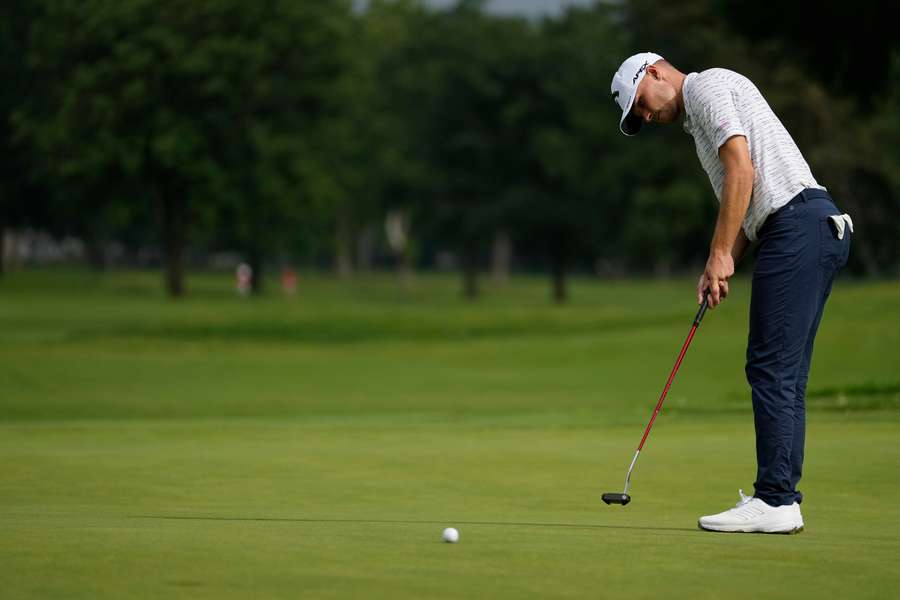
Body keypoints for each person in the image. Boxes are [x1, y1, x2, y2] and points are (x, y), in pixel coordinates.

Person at [610, 52, 852, 533]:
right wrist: (720, 262)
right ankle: (781, 496)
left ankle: (776, 501)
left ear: (655, 73)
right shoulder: (698, 124)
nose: (646, 117)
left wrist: (722, 253)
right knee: (783, 371)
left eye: (640, 105)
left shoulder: (704, 88)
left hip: (797, 225)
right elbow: (742, 201)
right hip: (805, 227)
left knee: (769, 367)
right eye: (637, 117)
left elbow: (743, 172)